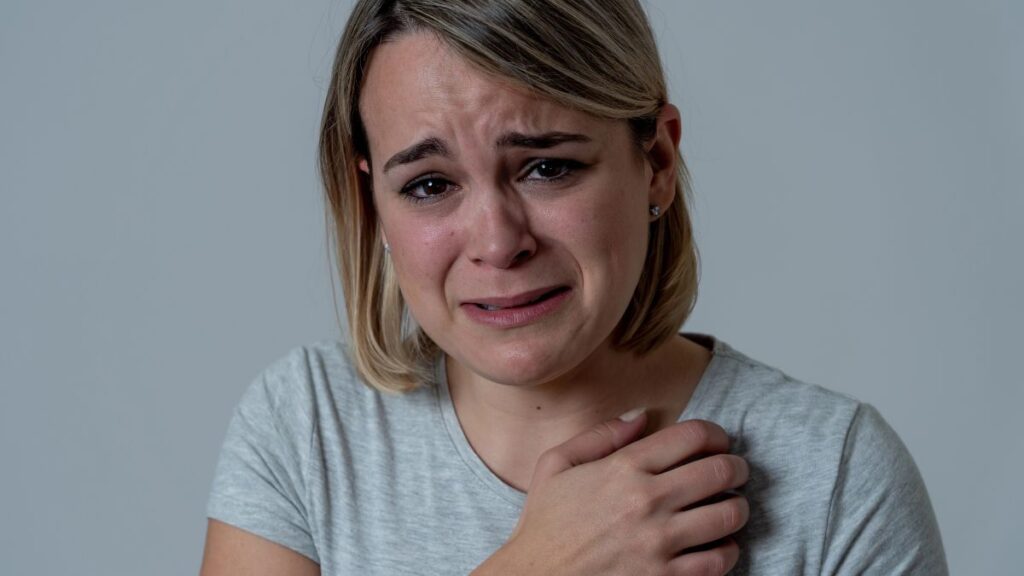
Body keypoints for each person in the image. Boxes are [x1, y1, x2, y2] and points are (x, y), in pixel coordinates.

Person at [199, 1, 948, 574]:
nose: (497, 241)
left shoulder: (837, 473)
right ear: (373, 206)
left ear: (654, 160)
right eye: (430, 185)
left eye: (546, 166)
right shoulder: (304, 431)